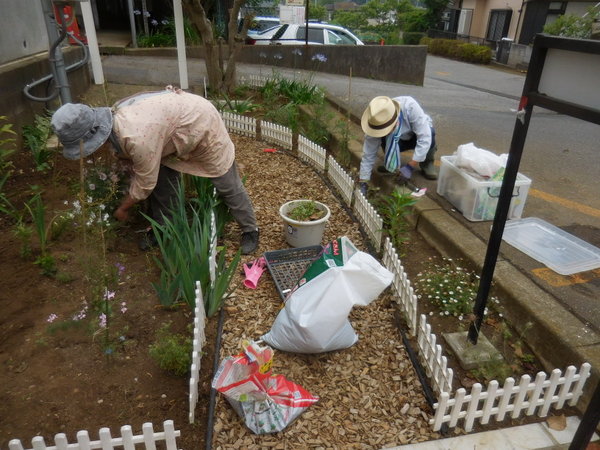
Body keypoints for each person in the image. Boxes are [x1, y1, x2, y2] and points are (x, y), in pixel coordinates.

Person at [50, 86, 260, 254]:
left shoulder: (137, 138)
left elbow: (144, 182)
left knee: (226, 181)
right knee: (163, 183)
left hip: (200, 122)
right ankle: (163, 229)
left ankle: (250, 230)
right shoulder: (118, 124)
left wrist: (123, 207)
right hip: (167, 131)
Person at [359, 95, 438, 194]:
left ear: (394, 122)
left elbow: (425, 137)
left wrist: (410, 166)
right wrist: (363, 181)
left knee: (430, 133)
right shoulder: (375, 120)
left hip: (414, 136)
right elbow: (368, 154)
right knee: (384, 139)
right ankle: (391, 164)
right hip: (397, 141)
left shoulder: (410, 106)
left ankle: (427, 162)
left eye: (384, 130)